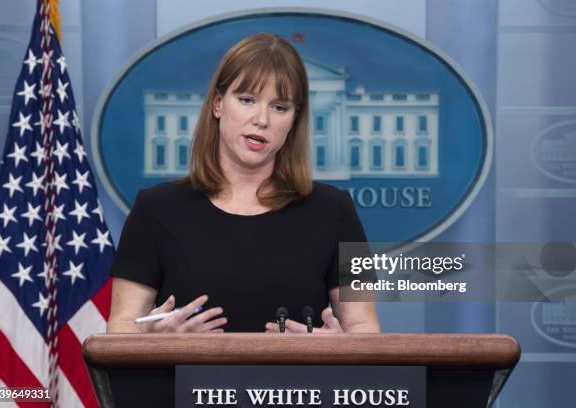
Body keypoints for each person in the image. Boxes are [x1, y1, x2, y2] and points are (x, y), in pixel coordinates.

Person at [106, 33, 379, 335]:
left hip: (303, 383)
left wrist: (338, 350)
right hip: (182, 382)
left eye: (279, 107)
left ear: (294, 119)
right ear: (218, 104)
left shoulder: (337, 210)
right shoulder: (154, 209)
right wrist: (155, 342)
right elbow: (120, 327)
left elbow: (364, 326)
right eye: (247, 100)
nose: (261, 119)